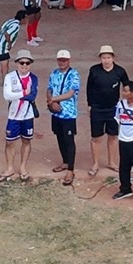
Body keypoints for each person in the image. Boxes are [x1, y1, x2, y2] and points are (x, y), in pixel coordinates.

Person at [86, 45, 129, 177]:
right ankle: (95, 163)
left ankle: (112, 162)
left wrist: (125, 103)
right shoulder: (94, 71)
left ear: (113, 58)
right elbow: (89, 88)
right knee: (96, 137)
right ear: (100, 58)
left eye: (108, 57)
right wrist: (90, 105)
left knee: (113, 136)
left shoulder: (120, 71)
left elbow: (127, 87)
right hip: (97, 108)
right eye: (104, 58)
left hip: (113, 109)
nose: (106, 60)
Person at [0, 50, 39, 182]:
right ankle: (10, 168)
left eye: (27, 63)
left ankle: (23, 167)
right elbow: (7, 95)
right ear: (16, 63)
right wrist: (23, 93)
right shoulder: (9, 77)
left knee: (26, 141)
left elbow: (32, 96)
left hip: (28, 115)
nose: (24, 65)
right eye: (22, 62)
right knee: (9, 141)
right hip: (13, 115)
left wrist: (16, 94)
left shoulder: (34, 78)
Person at [47, 50, 82, 182]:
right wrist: (51, 101)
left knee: (69, 141)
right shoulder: (54, 73)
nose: (62, 62)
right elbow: (49, 89)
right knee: (60, 137)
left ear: (69, 60)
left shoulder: (74, 74)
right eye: (60, 60)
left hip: (68, 113)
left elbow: (70, 93)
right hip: (56, 112)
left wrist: (52, 100)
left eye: (64, 60)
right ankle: (65, 162)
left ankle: (70, 170)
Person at [0, 9, 26, 75]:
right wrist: (9, 43)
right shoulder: (16, 26)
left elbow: (2, 28)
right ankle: (5, 80)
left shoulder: (10, 21)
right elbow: (7, 34)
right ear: (22, 18)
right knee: (5, 67)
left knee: (5, 66)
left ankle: (5, 79)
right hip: (2, 48)